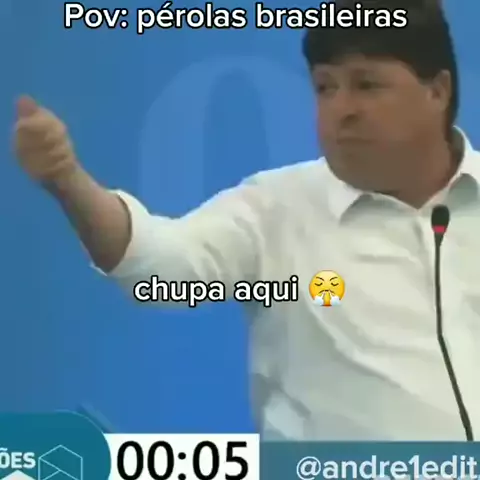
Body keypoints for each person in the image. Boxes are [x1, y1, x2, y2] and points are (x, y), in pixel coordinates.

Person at [14, 0, 480, 440]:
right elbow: (159, 270)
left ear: (437, 91)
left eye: (367, 85)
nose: (342, 109)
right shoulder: (275, 209)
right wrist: (68, 180)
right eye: (325, 87)